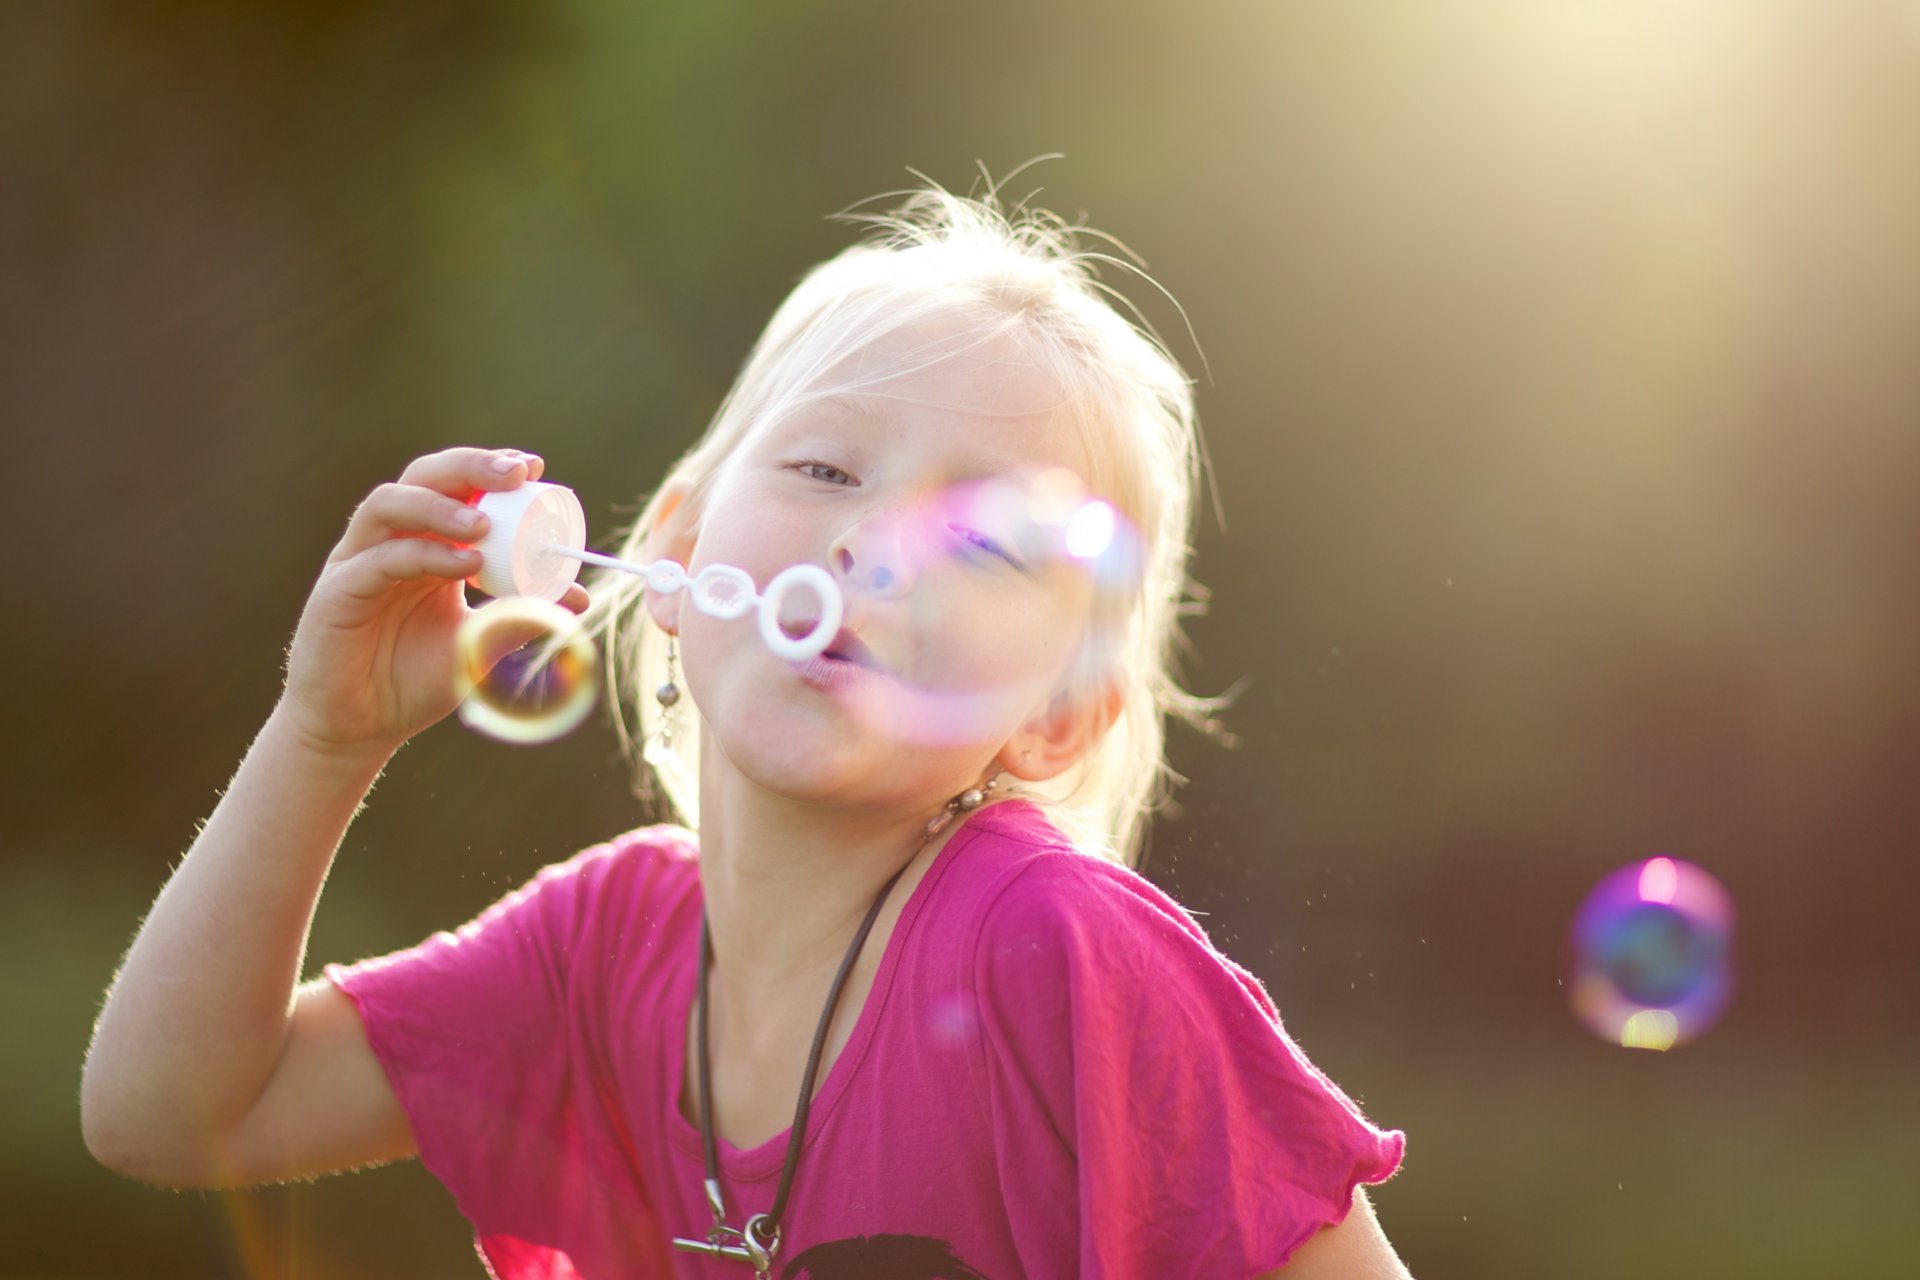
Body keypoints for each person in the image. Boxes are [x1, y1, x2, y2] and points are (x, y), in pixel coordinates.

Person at [82, 182, 1410, 1278]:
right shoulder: (599, 950)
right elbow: (173, 1113)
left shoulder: (1057, 953)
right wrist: (326, 737)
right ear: (672, 555)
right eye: (827, 469)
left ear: (1055, 712)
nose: (871, 547)